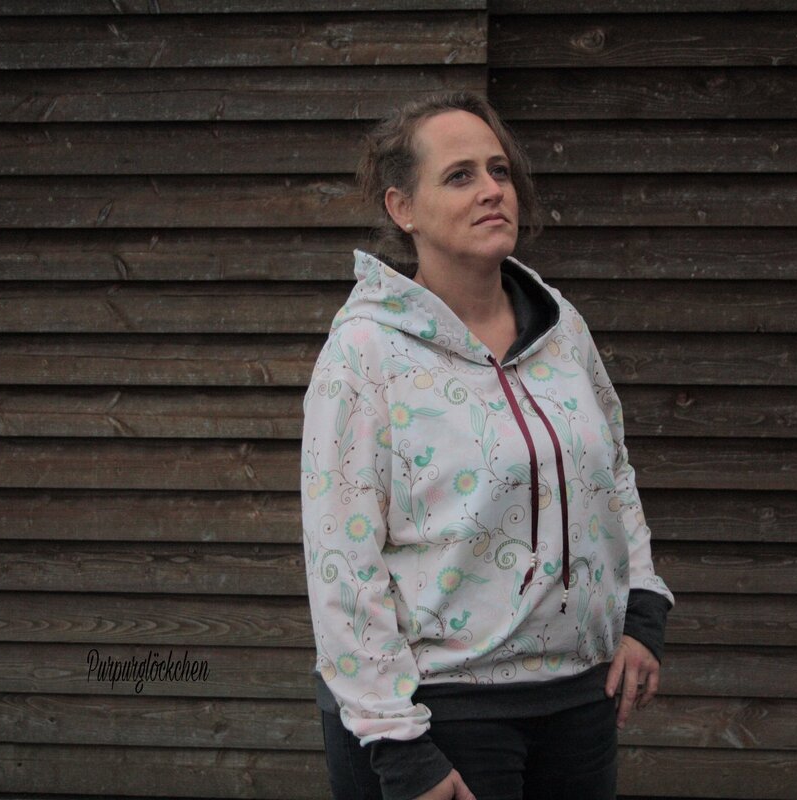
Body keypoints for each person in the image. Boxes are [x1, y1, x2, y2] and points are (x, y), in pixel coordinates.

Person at [300, 91, 674, 800]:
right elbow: (341, 562)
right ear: (402, 208)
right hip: (441, 714)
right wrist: (398, 743)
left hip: (579, 702)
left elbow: (612, 474)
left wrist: (642, 611)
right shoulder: (365, 353)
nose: (492, 189)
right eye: (459, 175)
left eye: (499, 170)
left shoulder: (562, 327)